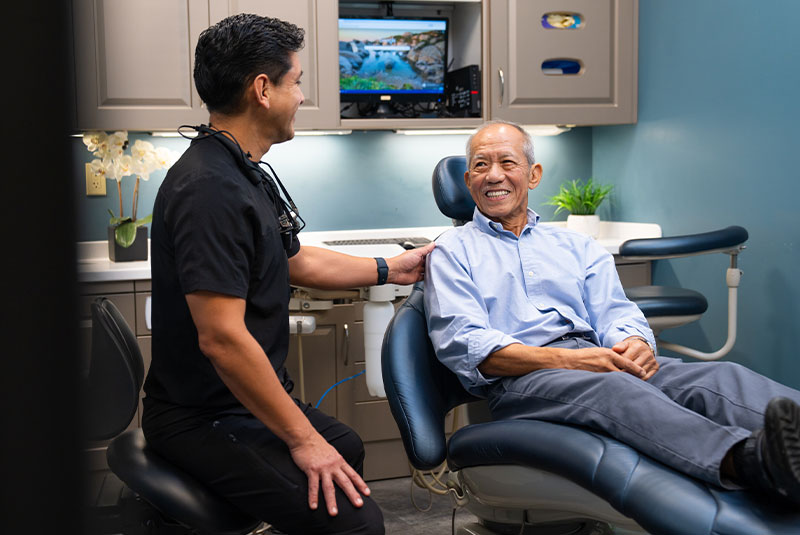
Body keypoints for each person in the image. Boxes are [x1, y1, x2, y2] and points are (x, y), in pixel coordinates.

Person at [142, 14, 434, 535]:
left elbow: (294, 259)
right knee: (358, 523)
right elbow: (223, 339)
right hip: (201, 417)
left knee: (345, 444)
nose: (301, 96)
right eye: (296, 81)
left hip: (231, 404)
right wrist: (303, 440)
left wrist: (391, 268)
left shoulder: (239, 167)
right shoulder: (209, 189)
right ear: (262, 90)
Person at [424, 119, 800, 506]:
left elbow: (615, 311)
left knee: (720, 377)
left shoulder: (575, 244)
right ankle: (750, 462)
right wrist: (572, 361)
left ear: (533, 175)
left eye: (507, 162)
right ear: (469, 181)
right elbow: (466, 344)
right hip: (524, 379)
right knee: (616, 389)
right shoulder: (452, 251)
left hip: (600, 361)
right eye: (482, 166)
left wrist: (633, 342)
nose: (494, 175)